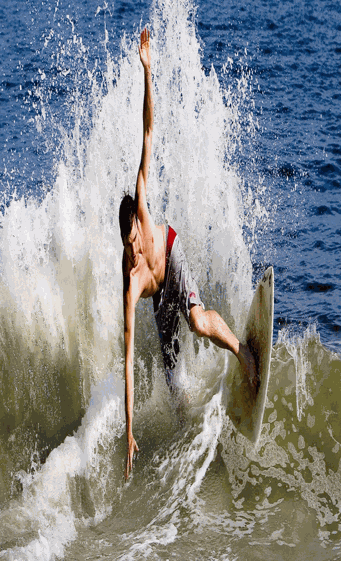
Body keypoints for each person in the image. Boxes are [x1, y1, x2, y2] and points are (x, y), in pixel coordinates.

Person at [120, 28, 257, 480]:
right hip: (158, 299)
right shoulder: (132, 280)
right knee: (173, 379)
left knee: (197, 322)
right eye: (129, 244)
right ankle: (194, 440)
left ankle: (243, 352)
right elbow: (125, 361)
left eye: (136, 238)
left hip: (173, 257)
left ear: (140, 227)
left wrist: (147, 72)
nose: (134, 247)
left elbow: (148, 130)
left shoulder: (142, 208)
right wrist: (129, 431)